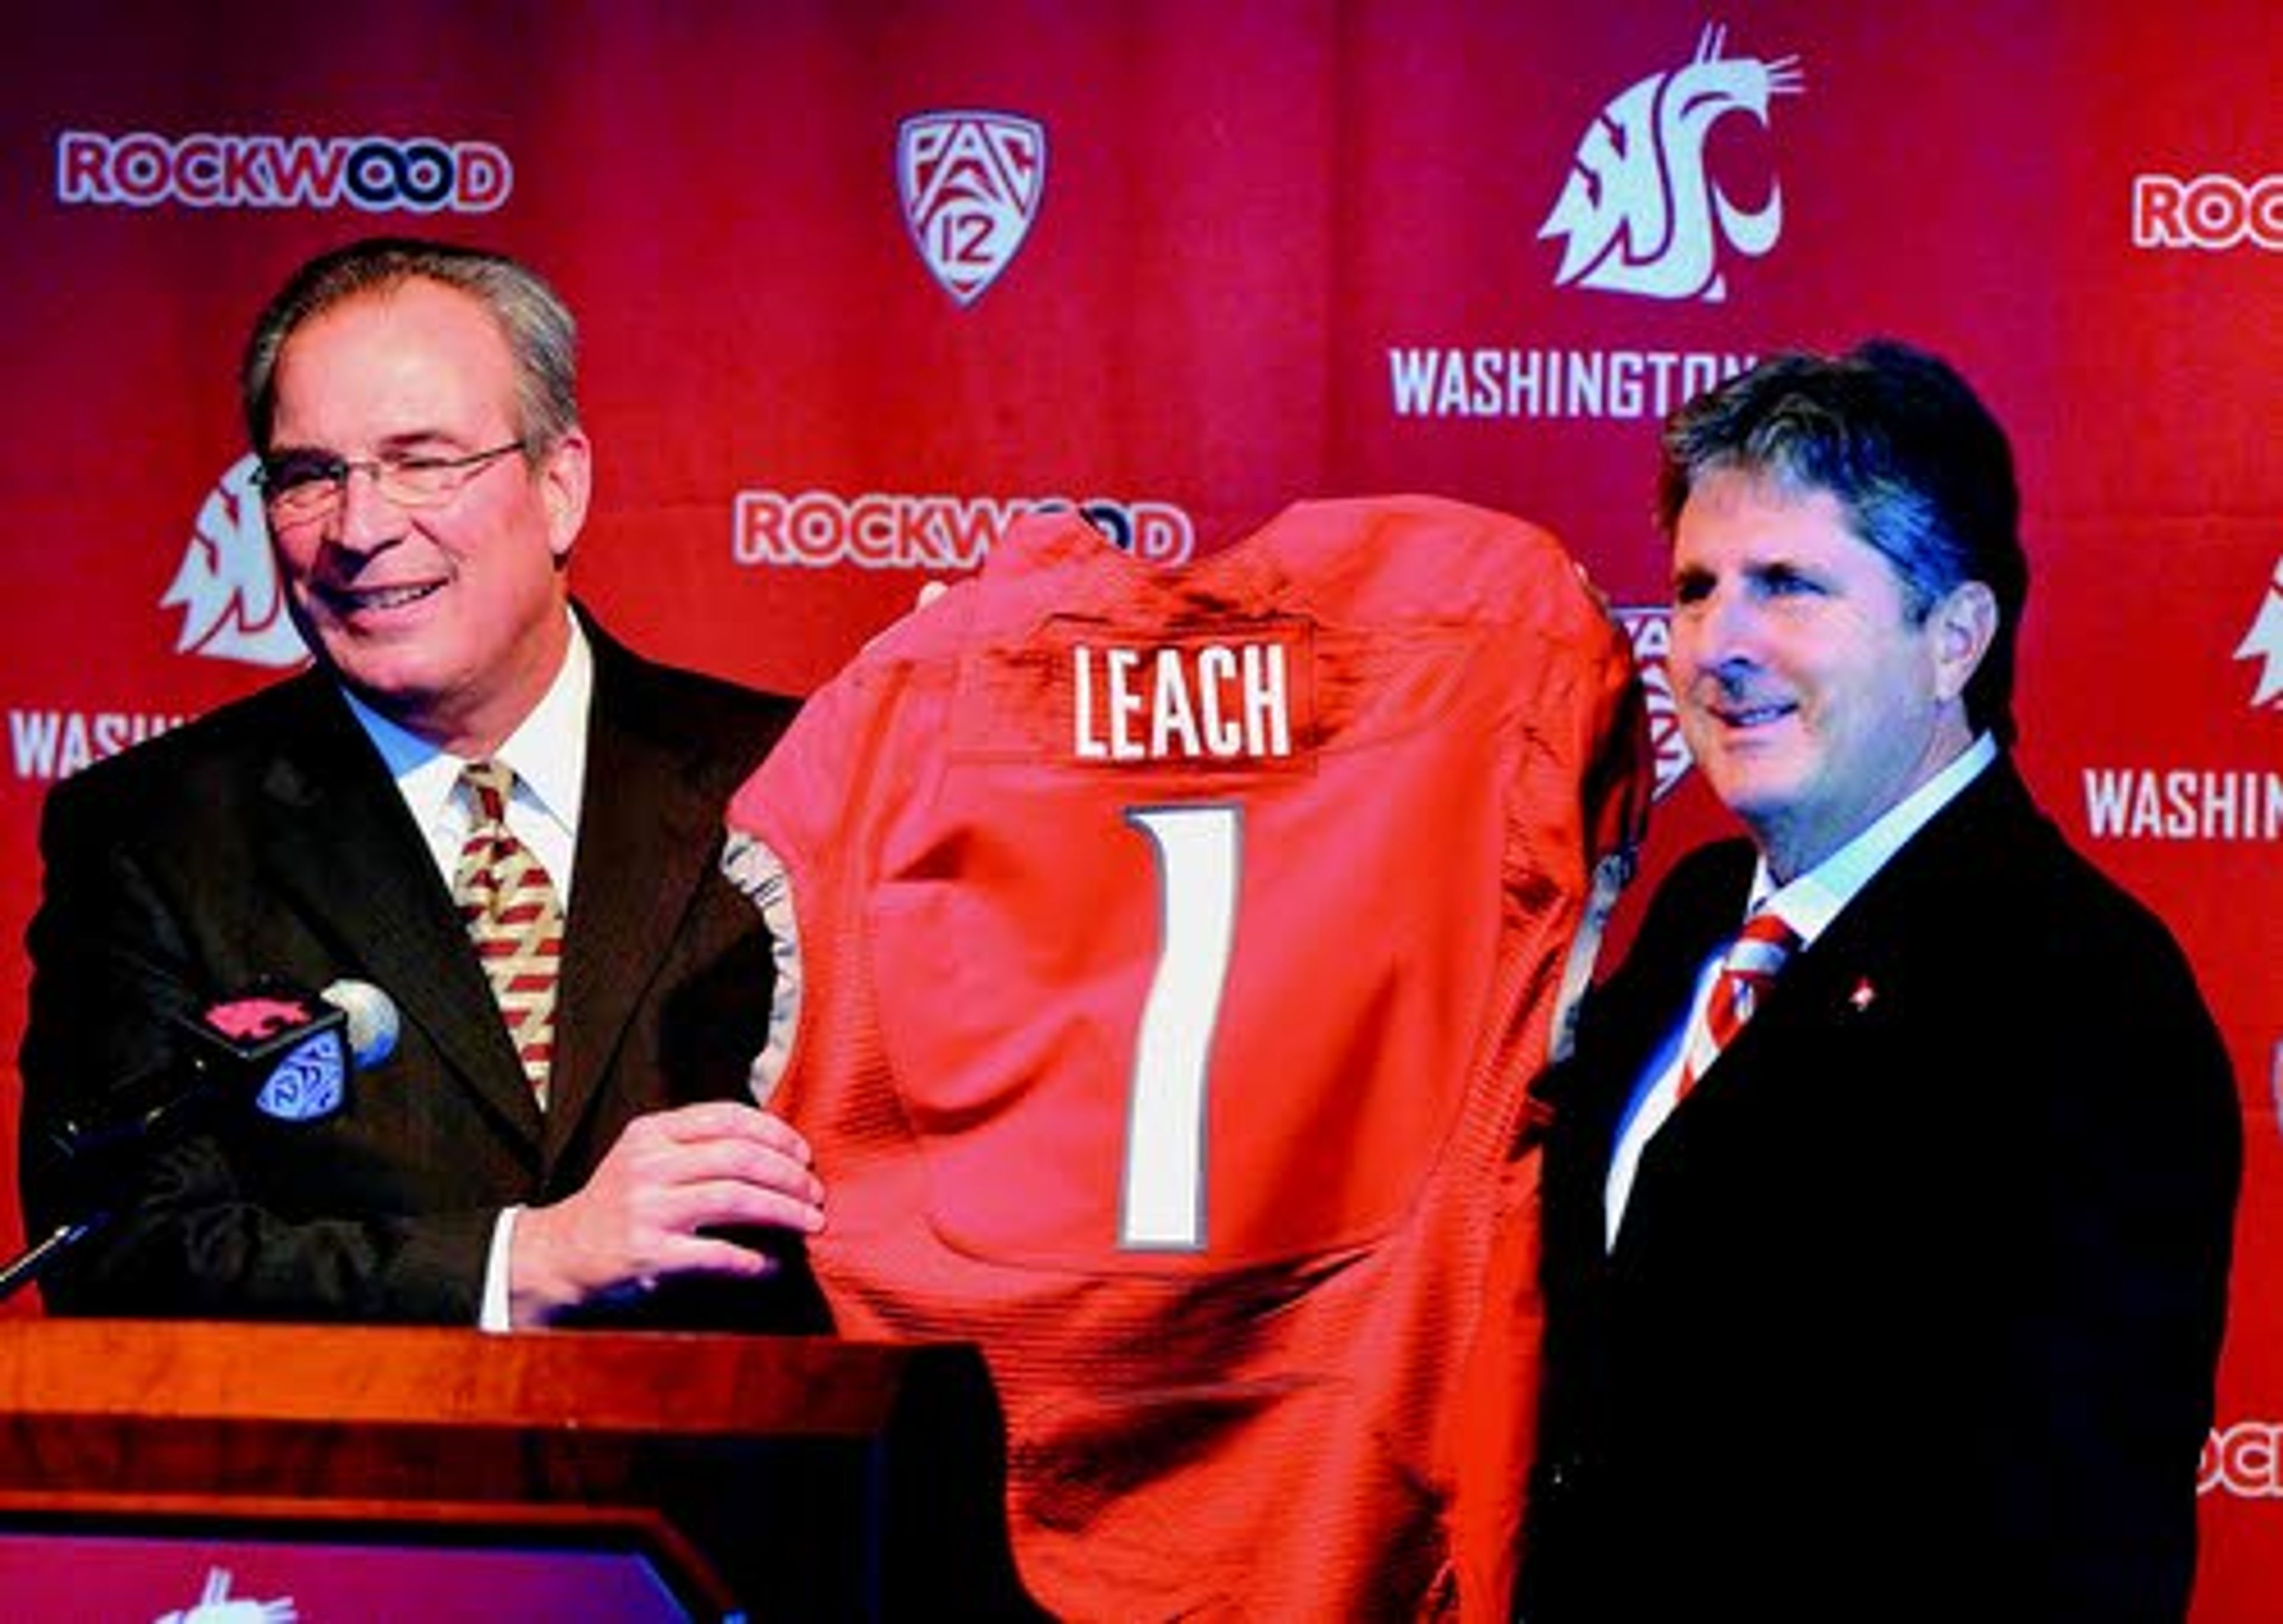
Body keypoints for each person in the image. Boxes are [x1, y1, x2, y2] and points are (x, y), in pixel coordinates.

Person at [1519, 339, 2242, 1623]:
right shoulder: (1692, 920)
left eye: (1788, 585)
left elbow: (2067, 1549)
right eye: (1695, 588)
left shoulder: (2083, 996)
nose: (1712, 644)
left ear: (1955, 635)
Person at [16, 237, 826, 1330]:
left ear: (560, 485)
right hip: (349, 1491)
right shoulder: (156, 834)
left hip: (755, 1482)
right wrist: (516, 1266)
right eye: (309, 476)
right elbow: (125, 1251)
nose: (360, 528)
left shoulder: (800, 780)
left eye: (425, 461)